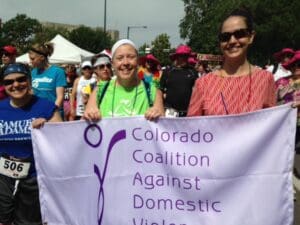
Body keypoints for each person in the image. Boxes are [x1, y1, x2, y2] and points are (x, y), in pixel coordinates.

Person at [0, 63, 62, 225]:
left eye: (21, 79)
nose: (15, 85)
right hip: (3, 178)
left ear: (29, 80)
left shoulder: (46, 107)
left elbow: (63, 142)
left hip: (34, 179)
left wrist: (48, 128)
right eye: (9, 82)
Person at [187, 8, 276, 116]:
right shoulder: (203, 84)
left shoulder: (266, 79)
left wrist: (291, 111)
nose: (232, 41)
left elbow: (273, 123)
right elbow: (191, 128)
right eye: (225, 37)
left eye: (239, 34)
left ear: (251, 37)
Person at [83, 39, 164, 120]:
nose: (125, 63)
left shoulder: (153, 92)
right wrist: (88, 116)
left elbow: (163, 128)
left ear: (138, 61)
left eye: (131, 57)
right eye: (120, 58)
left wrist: (157, 116)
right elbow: (82, 127)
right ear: (113, 64)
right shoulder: (99, 91)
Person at [158, 45, 198, 117]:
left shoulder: (193, 72)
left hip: (187, 112)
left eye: (186, 56)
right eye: (182, 56)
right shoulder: (168, 71)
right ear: (177, 57)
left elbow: (198, 92)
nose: (184, 58)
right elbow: (160, 90)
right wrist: (160, 108)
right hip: (169, 111)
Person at [29, 42, 67, 117]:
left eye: (32, 59)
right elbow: (32, 93)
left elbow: (60, 97)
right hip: (37, 114)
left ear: (42, 57)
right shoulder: (33, 72)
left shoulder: (58, 72)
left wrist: (51, 113)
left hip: (54, 114)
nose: (30, 61)